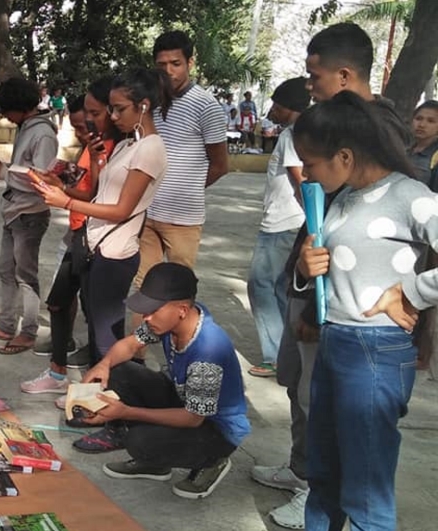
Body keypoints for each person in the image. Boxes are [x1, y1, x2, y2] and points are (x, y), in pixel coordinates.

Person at [251, 21, 414, 531]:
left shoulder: (377, 135)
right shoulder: (339, 124)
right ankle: (304, 470)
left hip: (347, 306)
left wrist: (405, 293)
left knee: (325, 401)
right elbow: (325, 216)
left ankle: (315, 485)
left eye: (314, 74)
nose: (308, 82)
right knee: (300, 384)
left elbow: (373, 233)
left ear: (345, 74)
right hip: (316, 276)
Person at [292, 91, 436, 531]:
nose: (306, 174)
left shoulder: (410, 196)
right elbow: (327, 265)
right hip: (336, 341)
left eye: (310, 163)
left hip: (375, 352)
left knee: (367, 496)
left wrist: (412, 293)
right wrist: (305, 267)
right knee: (325, 478)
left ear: (345, 156)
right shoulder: (346, 196)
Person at [24, 69, 171, 417]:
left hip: (115, 252)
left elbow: (122, 209)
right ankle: (95, 398)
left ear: (143, 106)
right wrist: (63, 187)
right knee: (97, 329)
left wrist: (66, 203)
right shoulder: (131, 145)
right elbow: (99, 191)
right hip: (97, 247)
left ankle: (112, 407)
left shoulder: (150, 149)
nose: (113, 116)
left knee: (106, 336)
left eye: (119, 109)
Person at [78, 263, 250, 500]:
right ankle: (157, 462)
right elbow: (129, 345)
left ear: (181, 309)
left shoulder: (208, 353)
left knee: (139, 442)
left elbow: (193, 418)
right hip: (185, 402)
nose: (146, 317)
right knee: (118, 370)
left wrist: (126, 412)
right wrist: (103, 365)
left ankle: (212, 461)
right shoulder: (174, 320)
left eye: (153, 310)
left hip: (216, 428)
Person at [129, 31, 228, 357]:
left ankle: (183, 356)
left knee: (178, 293)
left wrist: (186, 187)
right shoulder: (152, 103)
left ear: (190, 62)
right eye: (162, 64)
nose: (169, 71)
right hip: (148, 214)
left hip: (183, 219)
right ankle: (137, 359)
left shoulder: (207, 106)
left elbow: (219, 164)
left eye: (176, 63)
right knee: (143, 288)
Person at [23, 78, 117, 389]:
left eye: (92, 115)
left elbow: (103, 197)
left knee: (97, 317)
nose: (85, 125)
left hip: (101, 240)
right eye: (80, 121)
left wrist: (65, 195)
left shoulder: (117, 148)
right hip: (79, 234)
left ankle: (95, 384)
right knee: (59, 302)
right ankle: (57, 373)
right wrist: (60, 183)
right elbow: (86, 187)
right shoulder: (92, 147)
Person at [0, 77, 57, 355]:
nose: (4, 118)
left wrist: (5, 173)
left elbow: (42, 180)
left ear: (20, 107)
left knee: (25, 275)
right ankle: (6, 325)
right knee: (6, 270)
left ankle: (28, 332)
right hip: (14, 211)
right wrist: (5, 169)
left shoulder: (42, 134)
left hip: (29, 214)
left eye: (6, 111)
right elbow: (25, 169)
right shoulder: (26, 128)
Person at [246, 78, 308, 379]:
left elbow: (300, 181)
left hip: (283, 223)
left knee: (261, 285)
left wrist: (312, 223)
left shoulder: (292, 135)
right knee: (280, 289)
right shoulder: (295, 133)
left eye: (277, 104)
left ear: (289, 106)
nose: (272, 109)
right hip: (287, 222)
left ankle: (275, 356)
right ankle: (289, 352)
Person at [409, 100, 438, 191]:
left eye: (431, 121)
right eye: (418, 119)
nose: (421, 125)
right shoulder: (404, 151)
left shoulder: (435, 157)